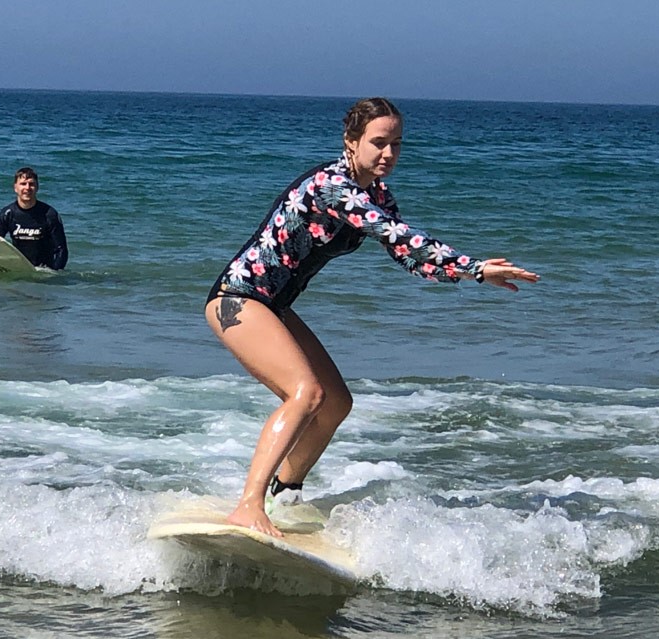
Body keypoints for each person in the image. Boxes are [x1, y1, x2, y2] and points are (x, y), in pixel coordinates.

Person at [204, 97, 539, 537]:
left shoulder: (376, 194)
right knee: (306, 393)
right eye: (379, 142)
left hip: (275, 305)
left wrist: (474, 276)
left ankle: (285, 493)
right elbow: (395, 232)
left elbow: (410, 256)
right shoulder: (333, 187)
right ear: (351, 141)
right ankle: (248, 505)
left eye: (397, 145)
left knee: (337, 403)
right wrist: (473, 265)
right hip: (239, 298)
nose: (388, 154)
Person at [0, 167, 69, 270]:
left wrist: (53, 273)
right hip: (20, 269)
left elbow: (61, 250)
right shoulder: (7, 214)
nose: (27, 188)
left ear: (37, 187)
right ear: (15, 187)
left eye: (31, 184)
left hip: (43, 270)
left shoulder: (49, 214)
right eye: (23, 184)